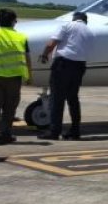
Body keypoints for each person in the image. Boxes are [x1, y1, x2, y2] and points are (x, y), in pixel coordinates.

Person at [38, 11, 94, 140]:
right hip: (79, 66)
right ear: (85, 20)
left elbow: (52, 43)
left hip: (63, 65)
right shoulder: (89, 32)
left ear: (74, 19)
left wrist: (45, 54)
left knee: (57, 99)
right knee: (73, 99)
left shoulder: (67, 26)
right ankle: (75, 131)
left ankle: (54, 131)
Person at [0, 8, 32, 144]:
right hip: (14, 78)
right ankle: (5, 134)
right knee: (10, 108)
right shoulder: (21, 37)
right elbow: (27, 58)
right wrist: (29, 76)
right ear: (13, 22)